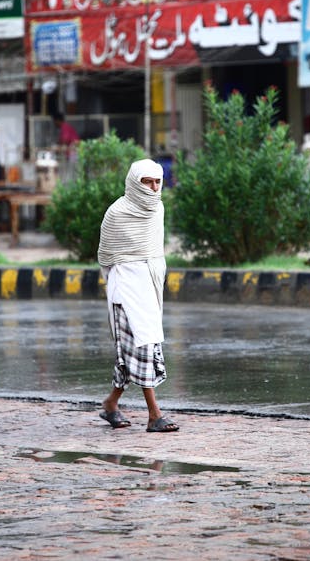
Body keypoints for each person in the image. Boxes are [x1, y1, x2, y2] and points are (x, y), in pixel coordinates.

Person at [97, 158, 179, 433]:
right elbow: (106, 257)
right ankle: (154, 414)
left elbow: (155, 250)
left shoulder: (158, 209)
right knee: (142, 348)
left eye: (158, 182)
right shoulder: (116, 212)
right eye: (148, 182)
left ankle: (110, 404)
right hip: (125, 289)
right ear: (135, 182)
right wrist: (122, 282)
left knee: (134, 351)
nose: (154, 188)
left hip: (150, 287)